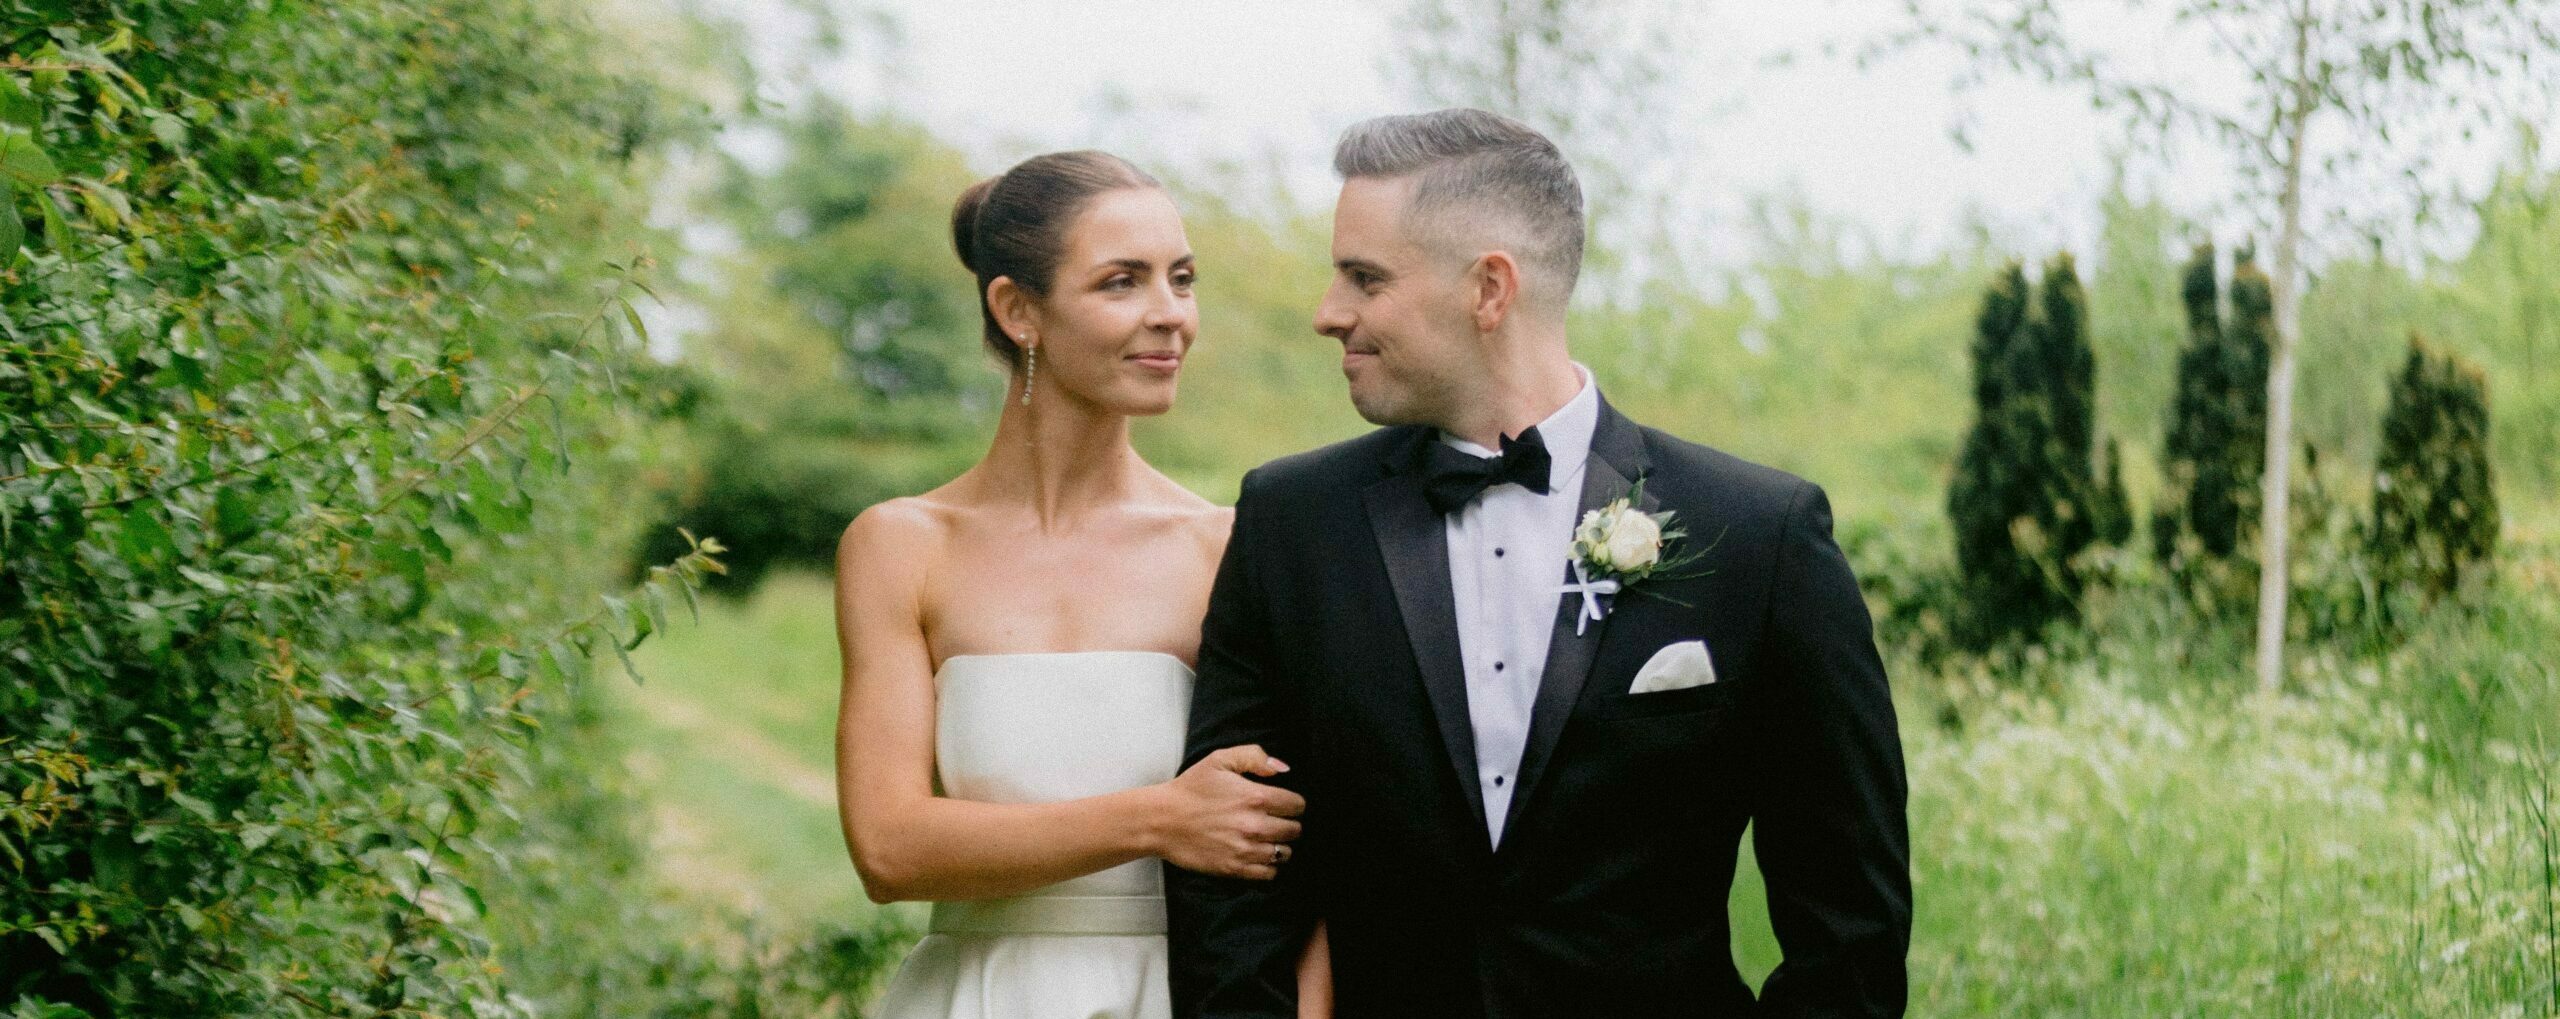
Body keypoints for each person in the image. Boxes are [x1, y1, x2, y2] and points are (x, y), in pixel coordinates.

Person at [1166, 109, 1913, 1018]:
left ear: (1490, 288)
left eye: (1364, 277)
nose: (1330, 314)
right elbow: (1232, 870)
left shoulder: (1762, 533)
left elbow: (1850, 913)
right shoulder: (1292, 524)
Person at [833, 150, 1320, 1019]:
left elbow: (1319, 847)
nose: (1170, 315)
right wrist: (1158, 819)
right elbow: (889, 847)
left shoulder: (1226, 547)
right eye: (1122, 283)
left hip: (1180, 995)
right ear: (1019, 309)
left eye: (1182, 279)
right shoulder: (902, 546)